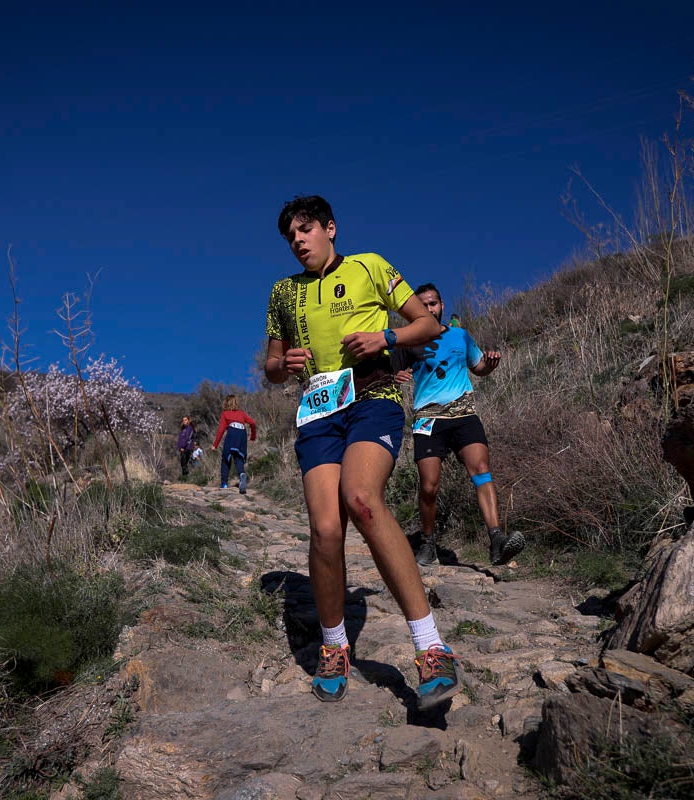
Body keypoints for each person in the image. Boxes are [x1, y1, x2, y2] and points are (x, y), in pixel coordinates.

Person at [264, 195, 463, 710]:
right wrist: (282, 362)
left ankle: (431, 649)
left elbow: (428, 325)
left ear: (330, 228)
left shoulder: (369, 267)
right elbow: (269, 364)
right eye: (290, 236)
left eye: (305, 230)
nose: (298, 241)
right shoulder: (282, 293)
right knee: (326, 529)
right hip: (317, 412)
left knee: (362, 499)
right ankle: (335, 649)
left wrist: (385, 336)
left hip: (372, 397)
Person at [393, 283, 526, 566]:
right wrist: (395, 377)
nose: (429, 308)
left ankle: (496, 540)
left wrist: (490, 366)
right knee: (429, 486)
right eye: (424, 304)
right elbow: (391, 373)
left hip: (464, 414)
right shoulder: (409, 341)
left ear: (442, 306)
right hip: (428, 419)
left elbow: (479, 368)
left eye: (434, 303)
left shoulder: (460, 336)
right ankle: (428, 543)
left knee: (481, 471)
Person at [211, 395, 257, 493]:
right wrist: (253, 436)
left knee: (226, 457)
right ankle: (241, 474)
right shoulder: (242, 413)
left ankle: (224, 483)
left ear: (226, 403)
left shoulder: (225, 414)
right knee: (238, 457)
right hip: (242, 433)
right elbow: (252, 423)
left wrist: (215, 444)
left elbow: (221, 430)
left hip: (232, 432)